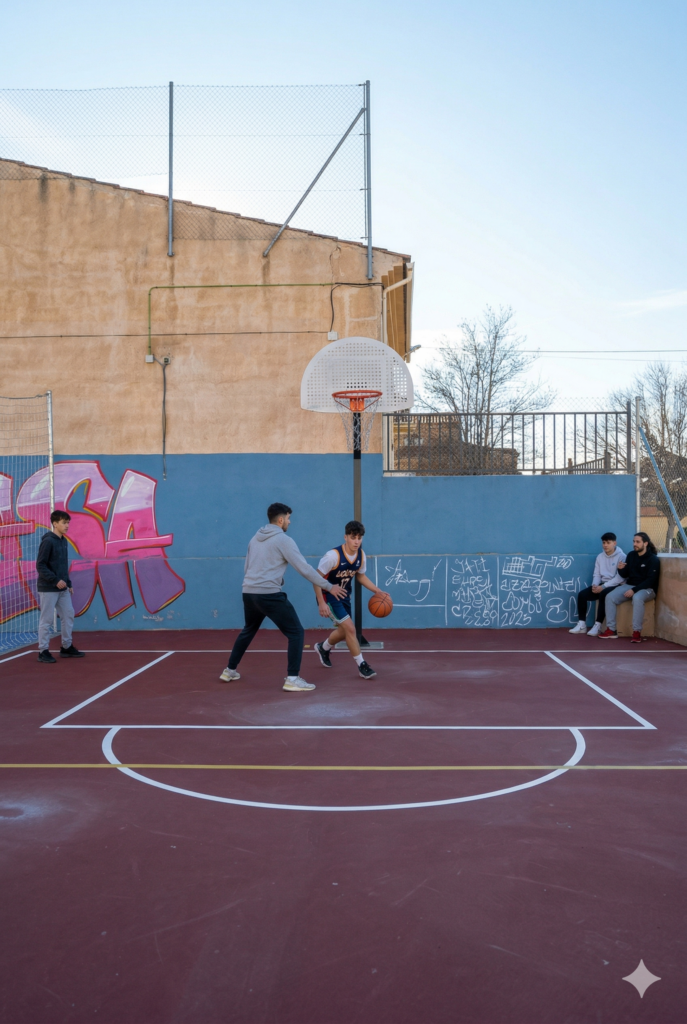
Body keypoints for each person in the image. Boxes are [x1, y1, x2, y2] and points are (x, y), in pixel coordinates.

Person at [220, 503, 347, 692]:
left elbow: (247, 567)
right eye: (288, 518)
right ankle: (292, 678)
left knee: (249, 629)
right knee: (296, 632)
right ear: (280, 520)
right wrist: (329, 586)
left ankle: (229, 670)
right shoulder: (284, 540)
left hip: (248, 592)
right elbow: (304, 569)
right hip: (269, 594)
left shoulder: (254, 539)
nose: (289, 521)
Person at [312, 520, 390, 680]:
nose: (356, 541)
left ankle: (323, 647)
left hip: (344, 596)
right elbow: (315, 578)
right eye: (353, 537)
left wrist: (377, 590)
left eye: (359, 538)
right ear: (345, 537)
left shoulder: (361, 555)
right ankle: (362, 666)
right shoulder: (332, 556)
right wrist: (321, 602)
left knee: (344, 631)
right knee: (351, 629)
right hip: (329, 596)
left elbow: (360, 575)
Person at [35, 510, 85, 663]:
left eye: (68, 522)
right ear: (55, 524)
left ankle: (66, 647)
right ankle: (43, 651)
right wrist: (55, 580)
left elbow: (62, 565)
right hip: (48, 588)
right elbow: (40, 565)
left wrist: (68, 583)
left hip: (62, 588)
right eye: (64, 522)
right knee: (47, 619)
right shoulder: (48, 541)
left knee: (68, 614)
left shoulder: (63, 541)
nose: (67, 525)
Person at [599, 532, 660, 642]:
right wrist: (620, 569)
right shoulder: (631, 555)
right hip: (630, 586)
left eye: (638, 542)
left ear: (645, 543)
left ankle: (636, 632)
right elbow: (624, 574)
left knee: (637, 598)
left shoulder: (653, 559)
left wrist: (634, 590)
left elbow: (650, 581)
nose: (634, 544)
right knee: (610, 597)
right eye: (634, 541)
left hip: (647, 589)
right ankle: (611, 630)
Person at [569, 532, 626, 637]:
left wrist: (603, 587)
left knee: (603, 594)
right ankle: (582, 625)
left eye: (608, 543)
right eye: (604, 543)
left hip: (616, 585)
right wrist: (595, 586)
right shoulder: (600, 557)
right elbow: (597, 574)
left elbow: (619, 578)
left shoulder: (622, 556)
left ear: (614, 543)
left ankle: (598, 625)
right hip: (602, 584)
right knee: (582, 595)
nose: (605, 545)